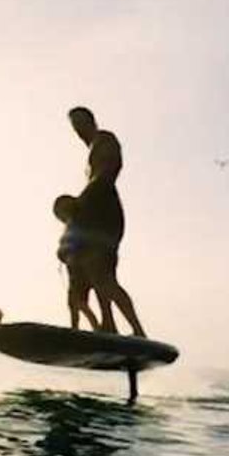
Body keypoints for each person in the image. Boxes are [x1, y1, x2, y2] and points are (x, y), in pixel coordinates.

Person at [67, 107, 147, 337]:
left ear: (91, 121)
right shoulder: (92, 149)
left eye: (80, 124)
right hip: (94, 216)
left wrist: (81, 200)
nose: (78, 131)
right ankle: (108, 322)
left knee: (103, 275)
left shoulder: (105, 140)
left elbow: (107, 173)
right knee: (96, 274)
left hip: (106, 216)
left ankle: (137, 330)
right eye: (74, 127)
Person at [52, 194, 103, 331]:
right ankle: (75, 328)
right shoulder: (69, 226)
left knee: (80, 301)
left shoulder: (78, 223)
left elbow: (80, 241)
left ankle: (96, 327)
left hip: (83, 266)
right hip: (72, 268)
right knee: (73, 302)